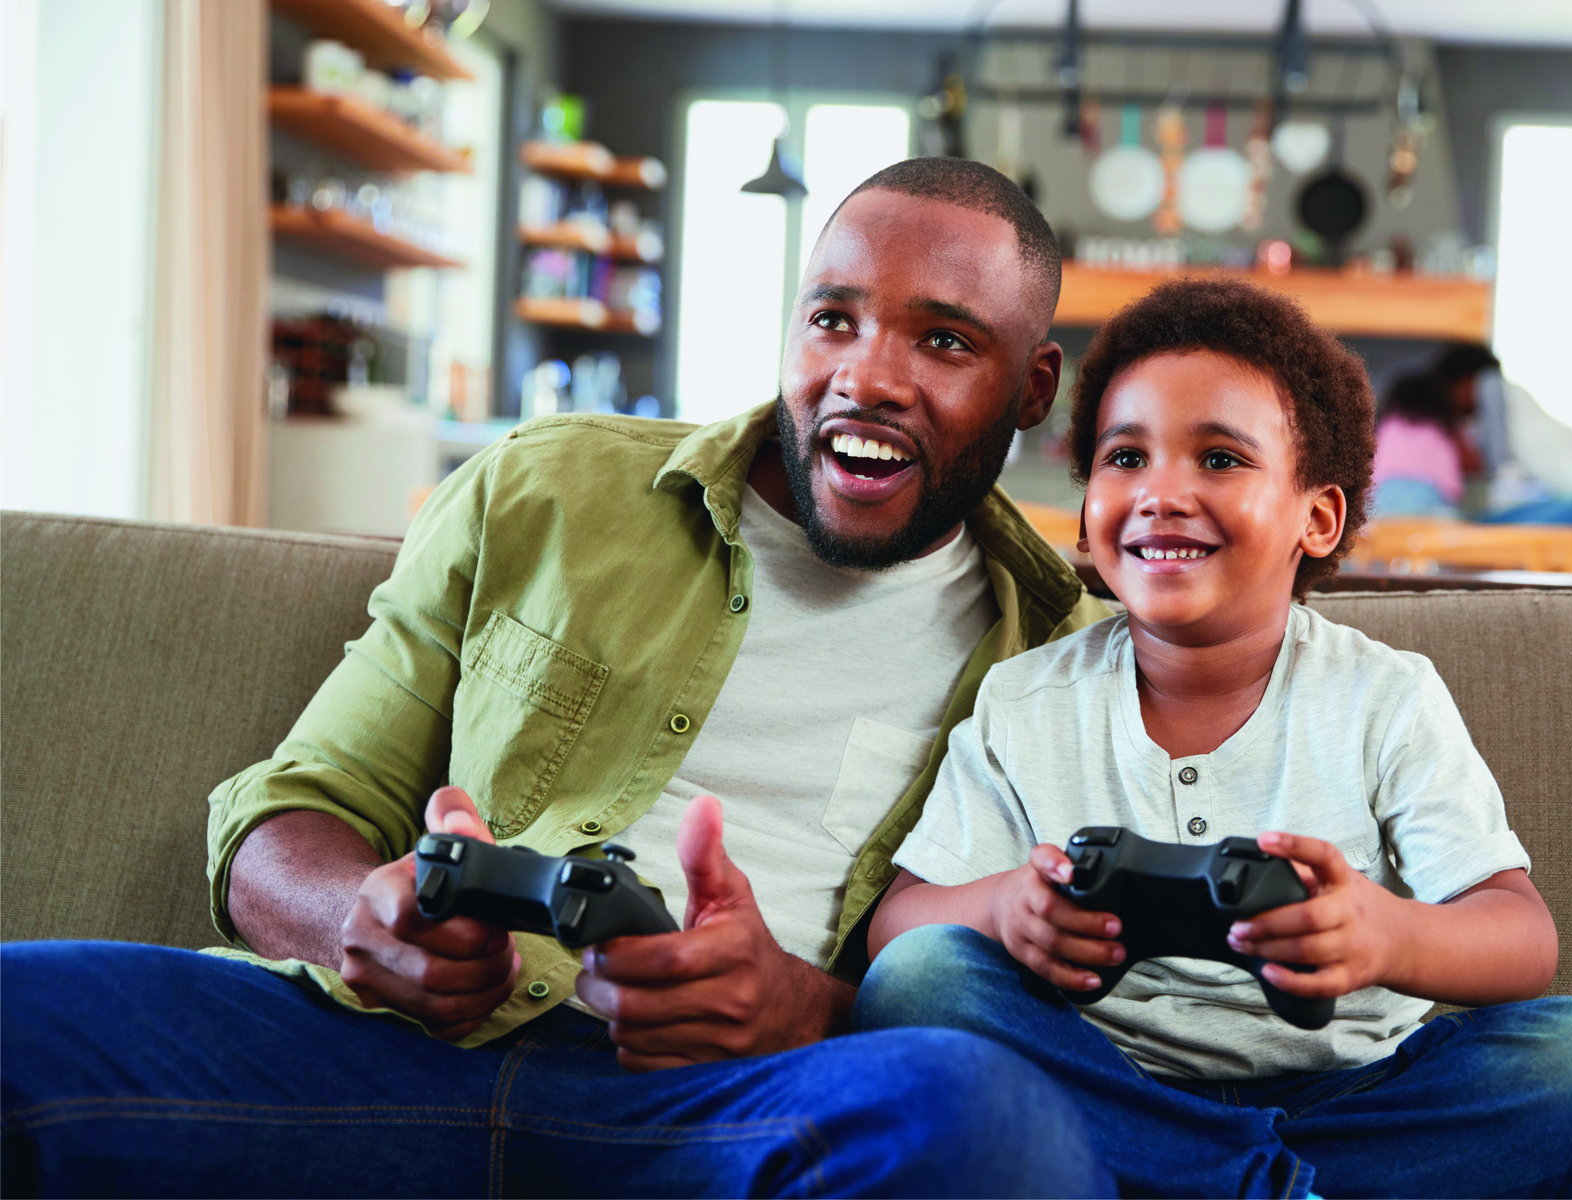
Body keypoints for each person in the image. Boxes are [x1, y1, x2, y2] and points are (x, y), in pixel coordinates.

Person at [0, 160, 1119, 1198]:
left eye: (946, 344)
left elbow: (1022, 992)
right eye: (834, 319)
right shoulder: (550, 491)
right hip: (378, 1054)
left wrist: (800, 1008)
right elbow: (286, 817)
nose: (868, 377)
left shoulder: (1067, 655)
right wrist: (365, 922)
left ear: (1033, 388)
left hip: (716, 1114)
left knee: (992, 1125)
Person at [855, 278, 1572, 1198]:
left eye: (1221, 459)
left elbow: (1521, 938)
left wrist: (1384, 934)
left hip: (1354, 1093)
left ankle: (1212, 1182)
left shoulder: (1383, 698)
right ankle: (1270, 1188)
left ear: (1317, 517)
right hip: (1112, 1086)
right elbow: (899, 928)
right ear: (1086, 511)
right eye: (1125, 458)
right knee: (919, 980)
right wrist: (1005, 910)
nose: (1161, 493)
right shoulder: (1026, 700)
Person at [1434, 344, 1572, 525]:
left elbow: (1491, 458)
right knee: (1488, 525)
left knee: (1495, 530)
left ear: (1465, 379)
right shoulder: (1503, 397)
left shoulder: (1490, 384)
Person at [1369, 373, 1475, 518]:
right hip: (1428, 510)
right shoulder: (1439, 433)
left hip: (1381, 509)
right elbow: (1452, 487)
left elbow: (1369, 476)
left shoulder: (1386, 427)